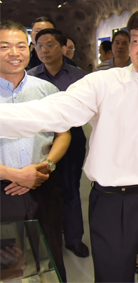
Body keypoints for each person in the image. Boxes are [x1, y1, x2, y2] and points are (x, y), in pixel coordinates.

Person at [0, 8, 138, 282]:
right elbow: (50, 112)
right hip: (112, 202)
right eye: (137, 40)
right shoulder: (103, 84)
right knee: (112, 277)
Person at [0, 20, 71, 281]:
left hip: (43, 184)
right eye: (4, 46)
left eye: (21, 46)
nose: (14, 53)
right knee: (8, 264)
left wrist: (46, 166)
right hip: (3, 189)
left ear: (29, 48)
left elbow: (63, 134)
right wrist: (14, 174)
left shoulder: (46, 90)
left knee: (50, 255)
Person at [28, 28, 90, 258]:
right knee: (41, 189)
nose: (44, 50)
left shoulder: (80, 77)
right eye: (39, 46)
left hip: (72, 139)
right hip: (40, 140)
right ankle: (45, 239)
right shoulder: (30, 77)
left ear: (63, 48)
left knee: (70, 187)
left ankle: (73, 239)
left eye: (50, 45)